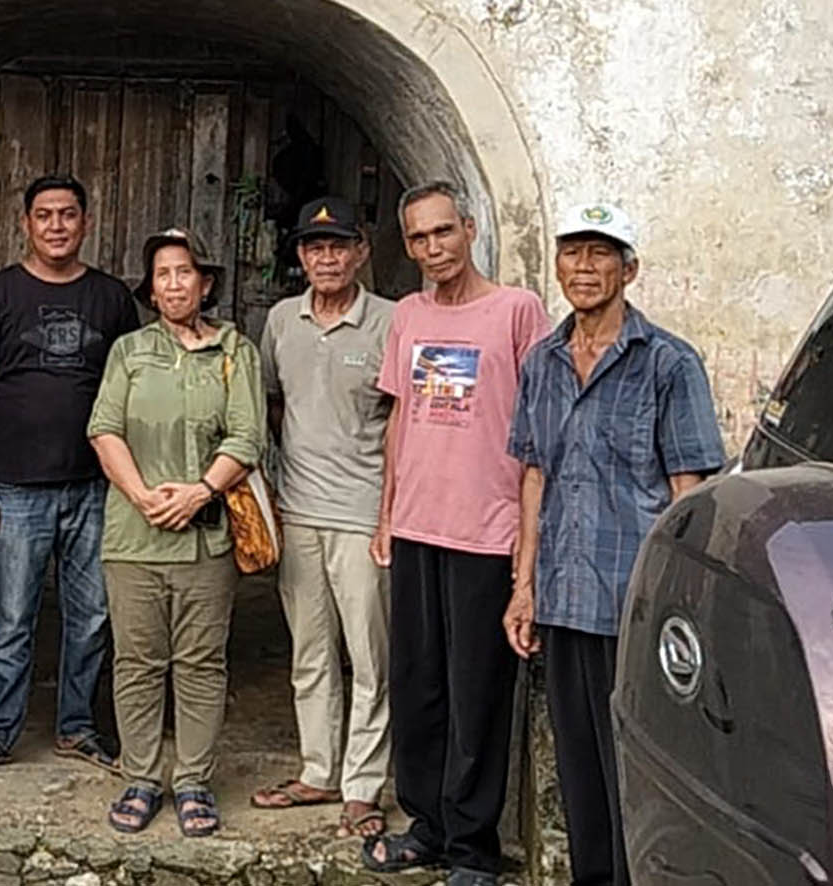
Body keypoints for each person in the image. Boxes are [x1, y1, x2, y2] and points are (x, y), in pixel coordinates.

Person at [503, 203, 723, 886]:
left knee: (636, 773)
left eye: (600, 253)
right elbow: (534, 475)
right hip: (563, 599)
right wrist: (523, 587)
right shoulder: (542, 362)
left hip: (635, 602)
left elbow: (687, 491)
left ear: (628, 269)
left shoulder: (668, 363)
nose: (584, 267)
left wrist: (680, 606)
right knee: (577, 773)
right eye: (572, 252)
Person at [362, 181, 551, 885]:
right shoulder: (408, 315)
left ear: (469, 229)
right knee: (418, 687)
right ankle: (427, 827)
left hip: (486, 531)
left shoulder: (516, 310)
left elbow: (539, 428)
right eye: (418, 237)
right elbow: (400, 420)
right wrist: (386, 513)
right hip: (417, 526)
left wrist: (529, 541)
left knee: (477, 694)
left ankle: (473, 847)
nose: (432, 247)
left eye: (443, 231)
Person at [0, 174, 137, 777]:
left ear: (86, 222)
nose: (57, 226)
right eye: (45, 215)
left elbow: (133, 388)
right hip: (15, 488)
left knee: (93, 615)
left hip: (94, 486)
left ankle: (77, 726)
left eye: (68, 214)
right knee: (11, 618)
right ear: (25, 224)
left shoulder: (111, 298)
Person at [87, 227, 265, 837]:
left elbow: (247, 436)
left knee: (200, 662)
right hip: (133, 537)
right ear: (152, 289)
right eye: (162, 275)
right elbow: (104, 429)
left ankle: (193, 780)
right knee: (137, 661)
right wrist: (141, 496)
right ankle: (140, 777)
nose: (173, 284)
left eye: (184, 272)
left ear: (205, 283)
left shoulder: (236, 352)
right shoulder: (130, 351)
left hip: (205, 538)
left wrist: (199, 492)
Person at [252, 197, 393, 840]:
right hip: (299, 510)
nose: (327, 258)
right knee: (310, 652)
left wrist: (389, 511)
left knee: (370, 657)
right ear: (301, 257)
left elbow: (404, 419)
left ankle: (363, 787)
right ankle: (318, 770)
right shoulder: (283, 320)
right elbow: (273, 402)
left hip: (363, 514)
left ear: (361, 251)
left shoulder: (390, 321)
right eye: (314, 247)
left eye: (338, 246)